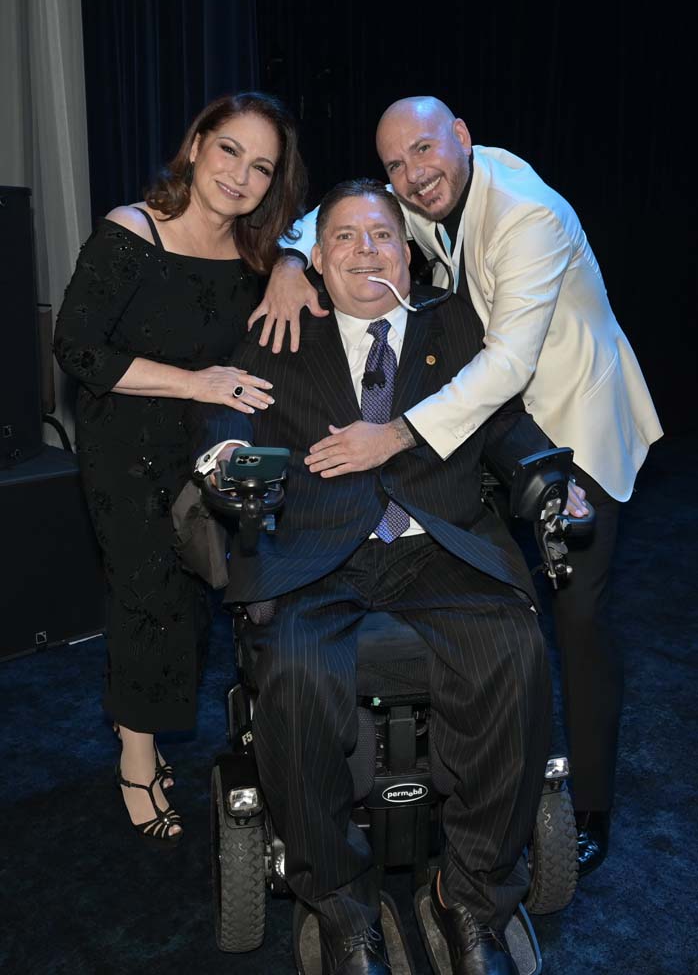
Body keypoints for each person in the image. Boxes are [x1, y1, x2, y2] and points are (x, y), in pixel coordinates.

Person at [249, 96, 664, 874]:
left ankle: (591, 804)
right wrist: (288, 259)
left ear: (463, 138)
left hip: (563, 420)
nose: (412, 175)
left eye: (425, 153)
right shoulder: (429, 190)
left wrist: (395, 434)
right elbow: (344, 221)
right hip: (474, 427)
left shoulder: (527, 214)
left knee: (574, 617)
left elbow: (507, 368)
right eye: (397, 164)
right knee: (493, 598)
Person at [195, 180, 582, 975]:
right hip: (317, 549)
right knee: (297, 673)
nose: (365, 250)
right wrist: (227, 457)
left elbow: (506, 421)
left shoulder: (458, 326)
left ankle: (471, 900)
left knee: (513, 652)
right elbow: (229, 413)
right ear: (318, 256)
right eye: (344, 237)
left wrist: (550, 478)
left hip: (439, 543)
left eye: (381, 235)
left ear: (407, 254)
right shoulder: (283, 331)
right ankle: (342, 909)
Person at [54, 91, 307, 845]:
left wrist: (292, 261)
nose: (240, 175)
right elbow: (77, 349)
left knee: (197, 599)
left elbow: (338, 229)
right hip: (124, 444)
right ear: (197, 145)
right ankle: (136, 757)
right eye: (229, 150)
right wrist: (196, 380)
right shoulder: (133, 231)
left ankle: (150, 728)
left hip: (206, 448)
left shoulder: (259, 256)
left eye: (261, 167)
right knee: (147, 595)